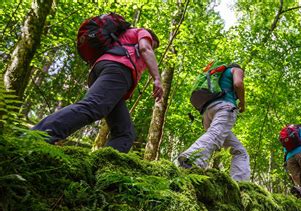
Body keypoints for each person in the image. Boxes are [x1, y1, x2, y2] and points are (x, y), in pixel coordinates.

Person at [32, 27, 164, 153]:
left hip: (103, 70)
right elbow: (145, 48)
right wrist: (157, 79)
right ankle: (37, 136)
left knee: (124, 133)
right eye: (154, 46)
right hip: (118, 69)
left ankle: (101, 166)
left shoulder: (124, 36)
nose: (153, 49)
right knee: (93, 106)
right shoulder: (143, 32)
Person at [178, 62, 250, 181]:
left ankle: (241, 182)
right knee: (214, 135)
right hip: (225, 108)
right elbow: (238, 84)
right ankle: (191, 159)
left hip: (207, 112)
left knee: (240, 151)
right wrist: (242, 103)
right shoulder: (235, 70)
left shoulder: (218, 73)